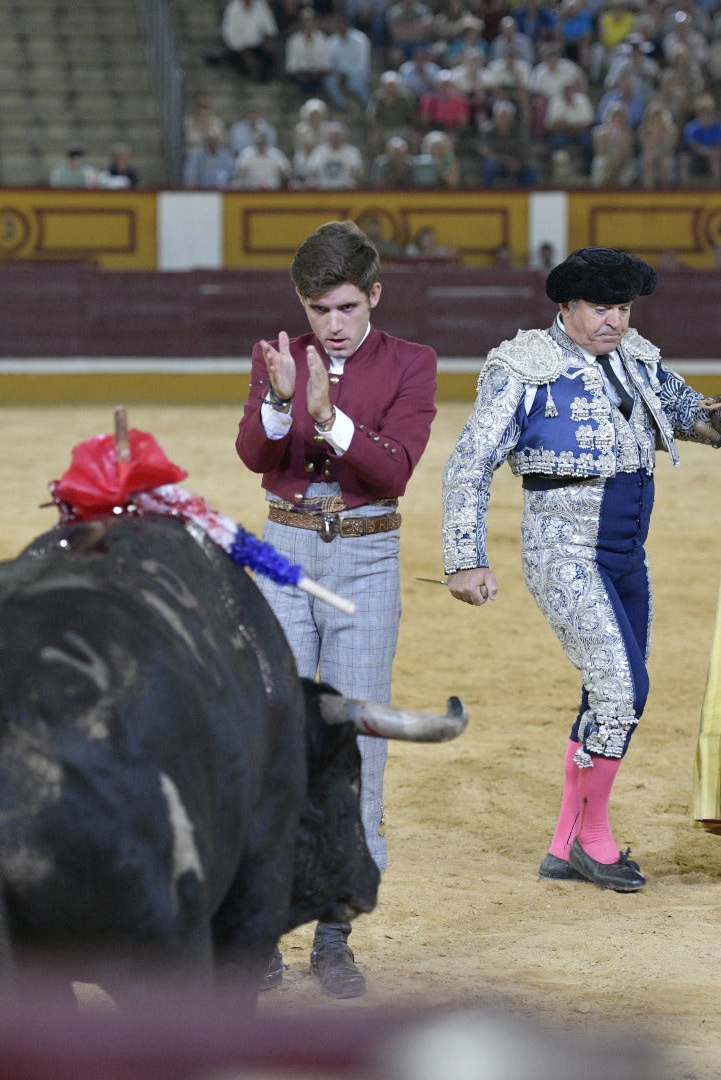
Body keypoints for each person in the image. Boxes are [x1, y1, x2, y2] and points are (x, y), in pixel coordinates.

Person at [440, 247, 721, 892]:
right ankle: (593, 839)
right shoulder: (523, 367)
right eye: (600, 307)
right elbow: (470, 462)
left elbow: (683, 414)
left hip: (624, 554)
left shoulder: (637, 358)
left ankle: (566, 846)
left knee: (615, 689)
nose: (614, 320)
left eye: (622, 307)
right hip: (562, 550)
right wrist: (466, 557)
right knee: (623, 688)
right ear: (566, 307)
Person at [235, 220, 438, 999]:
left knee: (355, 739)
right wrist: (284, 404)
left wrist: (329, 420)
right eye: (319, 309)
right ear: (302, 302)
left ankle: (334, 933)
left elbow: (393, 471)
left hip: (366, 555)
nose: (334, 325)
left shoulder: (412, 363)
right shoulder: (279, 357)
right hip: (282, 552)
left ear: (374, 296)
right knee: (273, 733)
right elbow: (254, 455)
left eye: (347, 308)